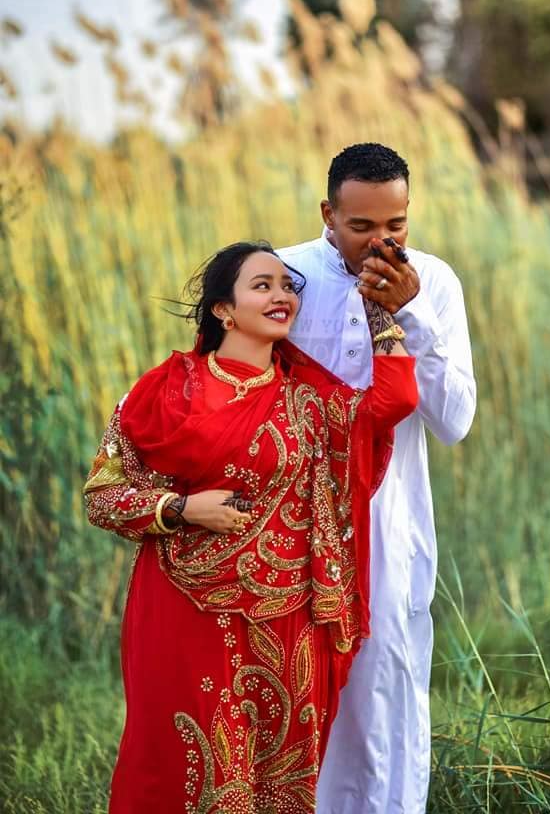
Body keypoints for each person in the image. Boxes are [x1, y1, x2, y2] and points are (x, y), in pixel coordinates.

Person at [83, 240, 418, 813]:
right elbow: (103, 497)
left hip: (287, 620)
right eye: (262, 286)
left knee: (277, 780)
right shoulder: (165, 391)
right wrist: (181, 509)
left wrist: (381, 310)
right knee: (183, 771)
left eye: (287, 286)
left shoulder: (309, 400)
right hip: (184, 611)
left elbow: (396, 399)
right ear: (224, 310)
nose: (281, 296)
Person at [278, 142, 477, 813]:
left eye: (396, 224)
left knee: (384, 688)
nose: (380, 243)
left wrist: (410, 313)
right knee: (292, 684)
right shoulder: (283, 275)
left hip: (390, 526)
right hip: (291, 525)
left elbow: (454, 421)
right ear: (327, 214)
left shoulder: (434, 281)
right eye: (360, 225)